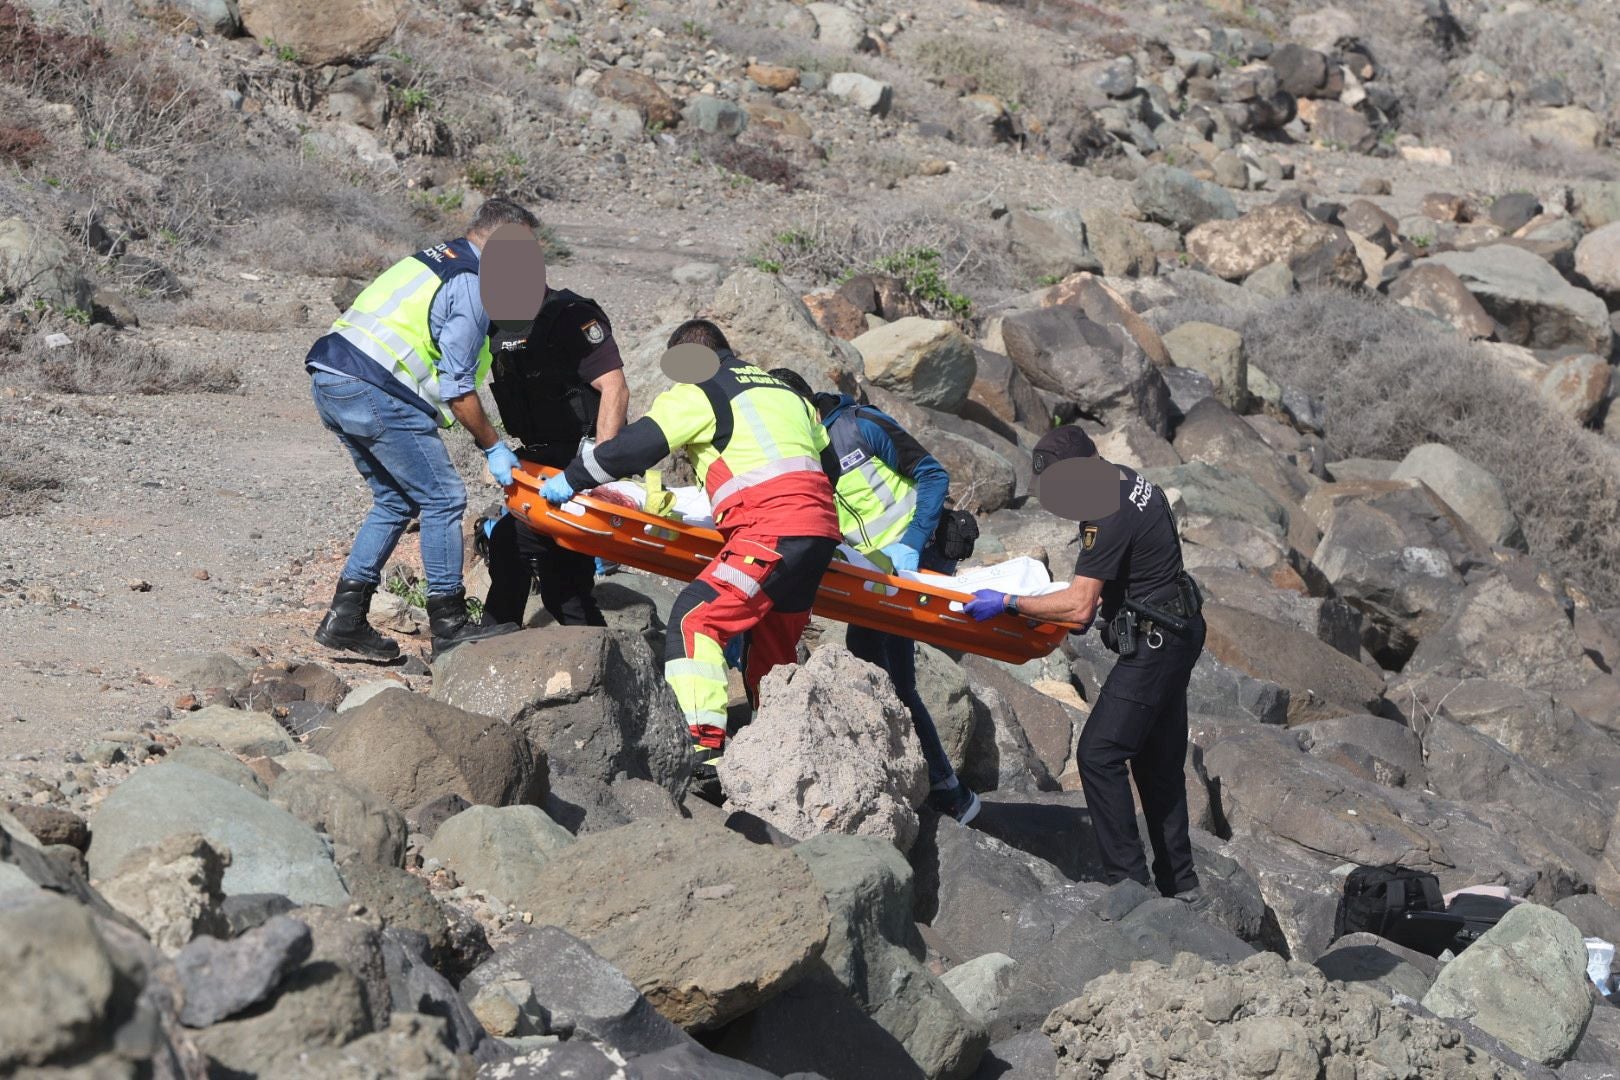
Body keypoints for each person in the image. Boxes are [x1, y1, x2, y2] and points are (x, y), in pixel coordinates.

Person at [539, 320, 841, 782]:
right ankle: (781, 753)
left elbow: (637, 447)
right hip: (817, 532)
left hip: (770, 532)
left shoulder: (701, 388)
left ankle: (702, 753)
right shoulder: (786, 392)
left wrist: (576, 476)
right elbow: (830, 467)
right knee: (772, 645)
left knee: (695, 619)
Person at [964, 425, 1206, 902]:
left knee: (1099, 753)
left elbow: (1078, 607)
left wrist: (1010, 602)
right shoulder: (1121, 479)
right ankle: (1183, 885)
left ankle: (1128, 883)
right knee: (1157, 763)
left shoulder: (1104, 508)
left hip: (1158, 641)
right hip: (1176, 627)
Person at [304, 198, 536, 660]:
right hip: (375, 387)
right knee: (444, 497)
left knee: (396, 498)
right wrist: (493, 446)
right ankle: (448, 621)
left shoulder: (437, 258)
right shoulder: (474, 283)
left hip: (331, 377)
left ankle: (345, 618)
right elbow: (457, 386)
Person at [770, 369, 980, 824]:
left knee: (882, 666)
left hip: (918, 559)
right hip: (875, 576)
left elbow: (932, 474)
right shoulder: (800, 450)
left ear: (805, 407)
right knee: (875, 664)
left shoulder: (860, 425)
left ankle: (945, 790)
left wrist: (913, 540)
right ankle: (939, 787)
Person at [479, 280, 629, 628]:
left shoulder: (571, 316)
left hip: (581, 460)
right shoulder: (495, 325)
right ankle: (596, 657)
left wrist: (597, 469)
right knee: (563, 584)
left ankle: (490, 641)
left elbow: (615, 388)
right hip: (537, 462)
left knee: (513, 545)